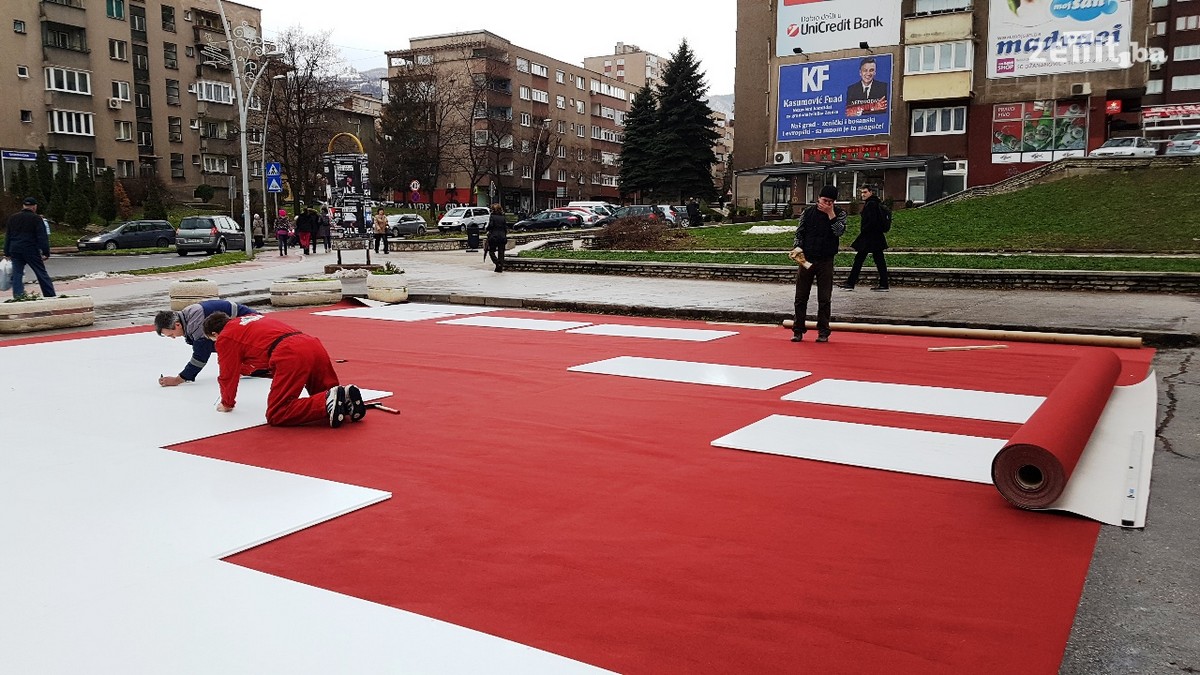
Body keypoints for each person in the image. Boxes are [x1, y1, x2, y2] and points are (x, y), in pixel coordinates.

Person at [203, 311, 367, 428]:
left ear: (215, 333)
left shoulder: (225, 337)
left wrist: (227, 403)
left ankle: (326, 401)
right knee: (326, 394)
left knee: (277, 413)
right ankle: (345, 397)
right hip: (312, 344)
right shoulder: (251, 318)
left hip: (289, 353)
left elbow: (227, 374)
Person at [153, 299, 261, 386]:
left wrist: (178, 379)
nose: (173, 338)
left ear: (177, 325)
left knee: (213, 345)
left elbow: (200, 357)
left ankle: (258, 363)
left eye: (171, 335)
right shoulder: (188, 315)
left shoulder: (197, 324)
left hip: (254, 326)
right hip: (251, 323)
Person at [791, 185, 847, 343]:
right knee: (801, 296)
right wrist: (797, 246)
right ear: (818, 199)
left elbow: (839, 232)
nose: (827, 204)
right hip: (807, 258)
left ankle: (823, 330)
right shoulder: (808, 212)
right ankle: (798, 329)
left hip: (826, 259)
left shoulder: (840, 213)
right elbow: (799, 232)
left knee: (824, 298)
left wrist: (830, 214)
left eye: (830, 202)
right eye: (824, 201)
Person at [840, 185, 891, 292]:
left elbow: (872, 221)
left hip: (870, 236)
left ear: (871, 192)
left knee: (860, 260)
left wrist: (864, 231)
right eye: (862, 192)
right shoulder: (874, 203)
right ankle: (884, 284)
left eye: (865, 192)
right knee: (878, 260)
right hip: (875, 236)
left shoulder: (871, 204)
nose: (863, 194)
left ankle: (850, 283)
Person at [4, 197, 56, 298]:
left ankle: (18, 296)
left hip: (15, 249)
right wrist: (46, 252)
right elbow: (42, 237)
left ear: (23, 206)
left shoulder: (13, 218)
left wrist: (7, 252)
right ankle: (50, 295)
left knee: (17, 274)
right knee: (40, 272)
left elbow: (8, 236)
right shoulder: (36, 219)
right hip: (30, 249)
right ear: (34, 207)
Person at [484, 203, 508, 273]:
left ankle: (497, 263)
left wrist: (487, 229)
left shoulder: (492, 216)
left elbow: (490, 226)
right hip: (502, 237)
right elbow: (505, 228)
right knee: (501, 252)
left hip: (494, 237)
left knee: (491, 251)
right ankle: (500, 267)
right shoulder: (503, 217)